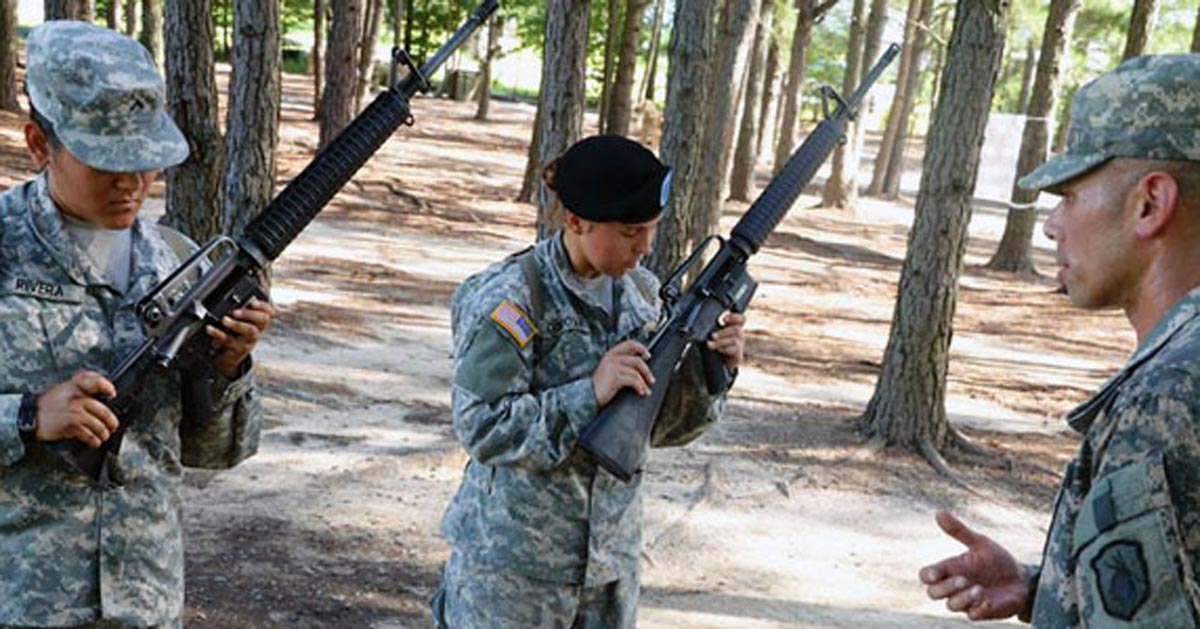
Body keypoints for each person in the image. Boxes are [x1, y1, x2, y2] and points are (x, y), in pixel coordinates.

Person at [0, 22, 274, 628]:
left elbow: (215, 453)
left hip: (145, 602)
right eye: (106, 160)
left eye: (145, 161)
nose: (132, 183)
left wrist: (229, 367)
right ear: (40, 144)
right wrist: (24, 417)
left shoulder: (178, 261)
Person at [919, 53, 1200, 626]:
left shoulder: (1169, 397)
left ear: (1150, 203)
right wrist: (1045, 588)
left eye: (1070, 195)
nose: (1052, 224)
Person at [431, 134, 746, 628]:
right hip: (514, 571)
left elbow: (657, 430)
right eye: (629, 232)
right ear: (576, 221)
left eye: (652, 230)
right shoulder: (511, 299)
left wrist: (712, 373)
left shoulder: (644, 296)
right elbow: (482, 426)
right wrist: (589, 394)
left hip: (610, 568)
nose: (644, 248)